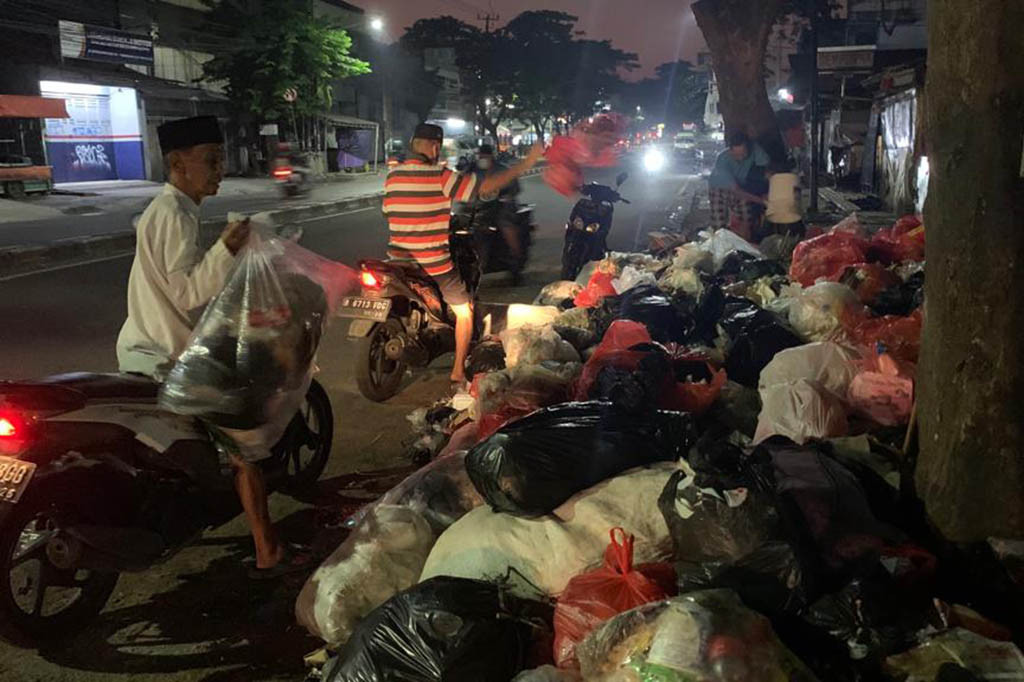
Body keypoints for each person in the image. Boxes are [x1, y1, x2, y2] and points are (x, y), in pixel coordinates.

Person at [116, 116, 304, 579]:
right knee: (245, 448)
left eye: (220, 160)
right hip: (170, 356)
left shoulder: (167, 210)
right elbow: (185, 292)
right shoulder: (176, 214)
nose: (220, 170)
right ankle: (267, 551)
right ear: (178, 163)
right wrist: (226, 246)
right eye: (211, 161)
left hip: (143, 344)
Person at [383, 124, 544, 389]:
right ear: (434, 146)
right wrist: (527, 161)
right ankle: (458, 370)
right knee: (464, 310)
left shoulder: (392, 176)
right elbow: (485, 188)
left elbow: (388, 211)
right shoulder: (440, 176)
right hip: (433, 262)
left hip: (397, 259)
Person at [475, 143, 525, 284]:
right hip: (479, 208)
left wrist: (504, 195)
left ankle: (515, 261)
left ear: (491, 156)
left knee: (507, 226)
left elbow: (515, 189)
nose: (483, 159)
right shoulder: (473, 170)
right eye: (481, 156)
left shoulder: (502, 170)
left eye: (485, 156)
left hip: (501, 208)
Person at [707, 130, 771, 238]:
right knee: (719, 226)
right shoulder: (722, 159)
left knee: (746, 220)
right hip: (719, 189)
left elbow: (767, 170)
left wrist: (768, 190)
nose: (741, 159)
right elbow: (736, 191)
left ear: (748, 148)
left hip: (740, 186)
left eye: (744, 154)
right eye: (737, 155)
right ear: (730, 151)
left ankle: (744, 247)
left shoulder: (754, 149)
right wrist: (762, 201)